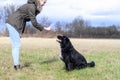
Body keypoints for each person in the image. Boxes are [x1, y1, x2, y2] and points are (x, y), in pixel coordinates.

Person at [5, 0, 51, 70]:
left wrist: (21, 32)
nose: (44, 4)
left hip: (14, 23)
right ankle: (16, 66)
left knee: (15, 45)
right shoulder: (31, 7)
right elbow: (34, 22)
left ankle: (16, 65)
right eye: (44, 2)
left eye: (45, 3)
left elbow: (24, 20)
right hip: (13, 23)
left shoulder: (33, 7)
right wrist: (44, 28)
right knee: (16, 45)